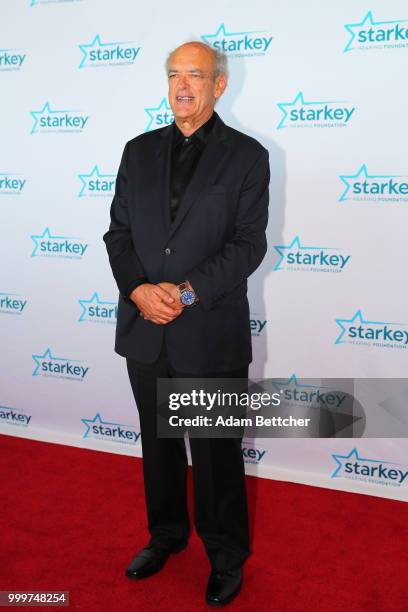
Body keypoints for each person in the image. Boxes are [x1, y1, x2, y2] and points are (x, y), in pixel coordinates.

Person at [103, 40, 270, 607]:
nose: (182, 85)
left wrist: (187, 291)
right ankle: (166, 536)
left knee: (217, 454)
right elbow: (118, 236)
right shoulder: (137, 150)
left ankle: (226, 556)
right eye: (174, 74)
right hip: (146, 329)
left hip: (209, 333)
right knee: (159, 446)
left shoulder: (247, 156)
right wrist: (138, 289)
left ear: (219, 85)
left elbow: (249, 244)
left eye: (195, 75)